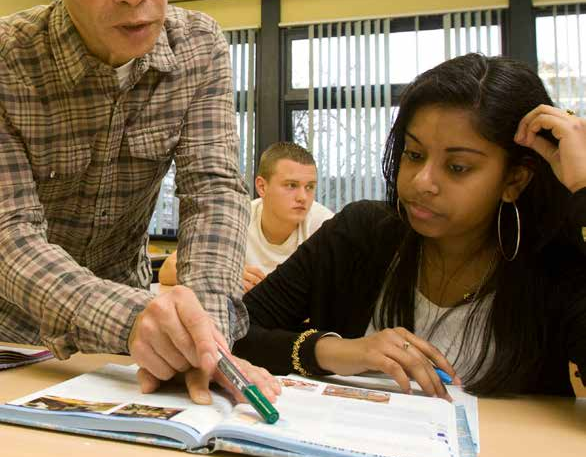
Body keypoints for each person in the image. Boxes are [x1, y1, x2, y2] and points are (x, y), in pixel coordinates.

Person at [0, 0, 278, 405]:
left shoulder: (199, 48)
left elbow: (214, 196)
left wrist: (205, 335)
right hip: (12, 342)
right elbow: (9, 235)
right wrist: (136, 317)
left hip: (128, 345)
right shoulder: (7, 62)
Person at [234, 54, 586, 399]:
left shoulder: (553, 264)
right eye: (414, 155)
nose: (422, 182)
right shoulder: (359, 234)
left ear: (515, 180)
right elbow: (235, 333)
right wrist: (342, 352)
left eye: (458, 167)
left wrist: (584, 190)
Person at [159, 142, 334, 291]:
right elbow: (167, 270)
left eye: (310, 187)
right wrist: (223, 274)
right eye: (291, 185)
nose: (303, 197)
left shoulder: (324, 225)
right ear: (262, 187)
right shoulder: (235, 219)